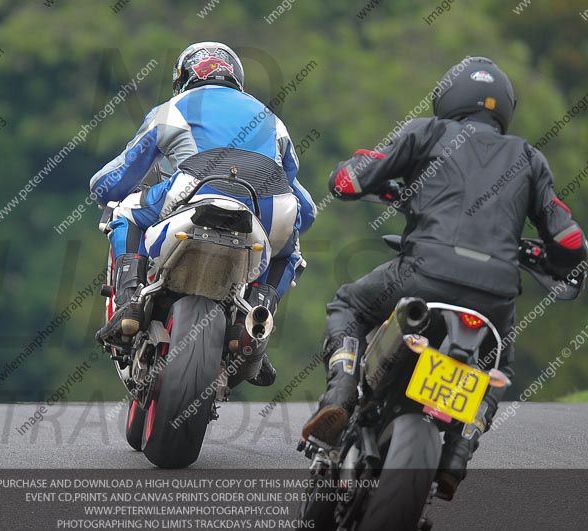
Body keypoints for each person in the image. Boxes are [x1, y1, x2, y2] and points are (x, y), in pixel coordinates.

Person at [302, 56, 587, 499]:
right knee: (499, 365)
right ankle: (458, 450)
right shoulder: (529, 158)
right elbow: (571, 244)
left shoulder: (427, 132)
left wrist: (354, 170)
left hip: (421, 276)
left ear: (449, 96)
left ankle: (340, 394)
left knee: (349, 305)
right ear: (504, 108)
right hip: (494, 301)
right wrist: (548, 257)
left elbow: (349, 182)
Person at [89, 42, 316, 385]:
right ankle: (255, 321)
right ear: (236, 78)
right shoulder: (272, 120)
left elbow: (115, 181)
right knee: (290, 253)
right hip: (271, 205)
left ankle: (130, 300)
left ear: (182, 78)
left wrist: (99, 187)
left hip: (196, 188)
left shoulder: (171, 109)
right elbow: (307, 209)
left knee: (126, 213)